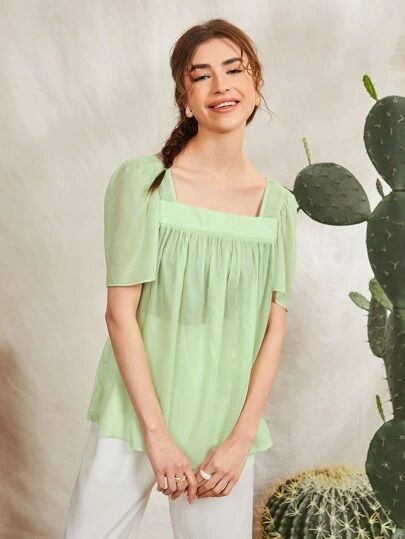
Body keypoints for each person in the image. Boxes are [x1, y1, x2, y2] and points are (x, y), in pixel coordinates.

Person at [63, 17, 298, 539]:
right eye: (201, 76)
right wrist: (156, 435)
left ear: (256, 82)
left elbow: (273, 332)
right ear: (184, 98)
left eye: (233, 70)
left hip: (223, 429)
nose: (221, 86)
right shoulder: (144, 182)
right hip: (134, 412)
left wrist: (240, 440)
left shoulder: (279, 206)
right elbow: (119, 314)